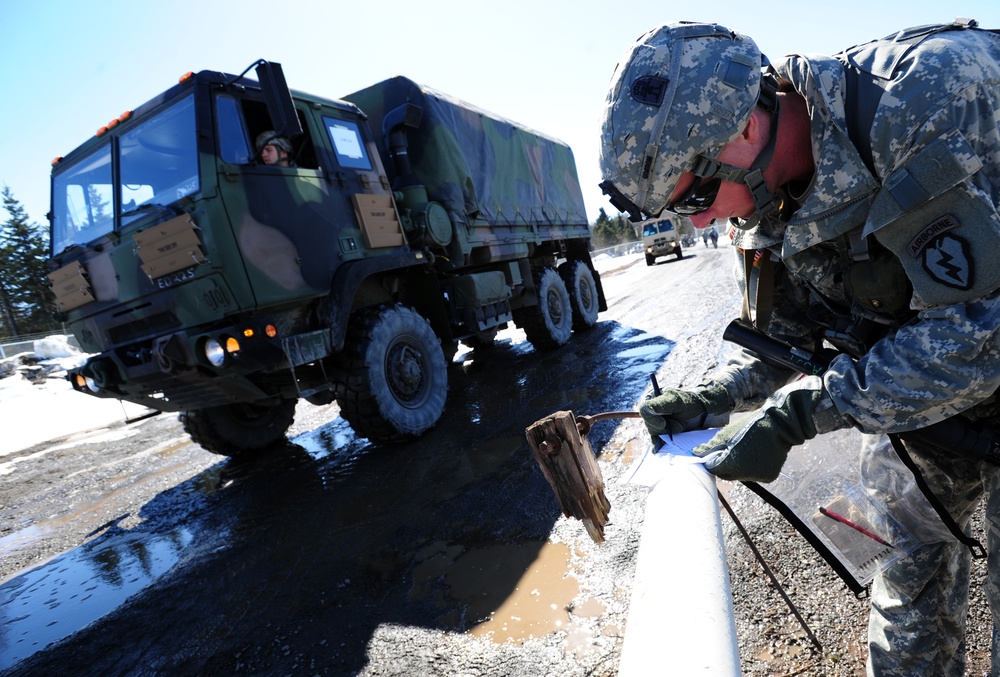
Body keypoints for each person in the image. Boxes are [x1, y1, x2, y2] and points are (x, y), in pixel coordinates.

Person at [599, 19, 1000, 676]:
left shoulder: (932, 98)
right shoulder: (757, 204)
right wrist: (716, 394)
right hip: (920, 417)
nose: (699, 221)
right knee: (905, 615)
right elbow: (780, 337)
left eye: (695, 197)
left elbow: (984, 333)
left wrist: (808, 410)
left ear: (746, 131)